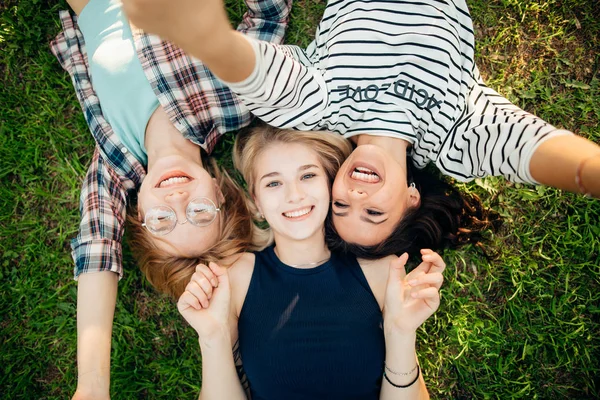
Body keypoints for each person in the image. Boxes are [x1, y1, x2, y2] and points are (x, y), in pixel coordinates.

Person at [123, 0, 600, 259]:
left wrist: (209, 39)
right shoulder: (454, 138)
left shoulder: (324, 113)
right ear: (412, 199)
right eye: (372, 213)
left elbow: (266, 80)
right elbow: (536, 152)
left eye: (341, 204)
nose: (356, 193)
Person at [50, 0, 291, 397]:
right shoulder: (233, 101)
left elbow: (97, 251)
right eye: (198, 212)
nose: (177, 200)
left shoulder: (115, 164)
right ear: (220, 192)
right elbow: (269, 16)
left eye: (162, 221)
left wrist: (92, 385)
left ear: (139, 212)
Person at [177, 125, 446, 399]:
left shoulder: (381, 273)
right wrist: (212, 339)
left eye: (307, 175)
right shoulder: (234, 276)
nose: (294, 195)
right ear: (256, 201)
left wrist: (401, 333)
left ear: (330, 185)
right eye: (273, 183)